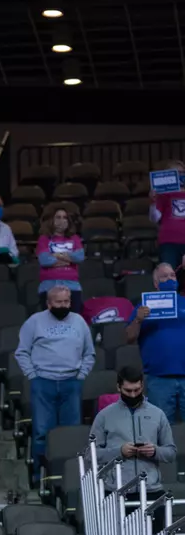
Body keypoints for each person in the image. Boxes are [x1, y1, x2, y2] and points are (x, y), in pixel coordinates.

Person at [15, 285, 96, 483]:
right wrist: (32, 375)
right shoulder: (34, 321)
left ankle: (73, 479)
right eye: (59, 302)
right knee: (42, 432)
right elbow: (22, 352)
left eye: (66, 301)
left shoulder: (79, 322)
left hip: (71, 383)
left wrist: (81, 375)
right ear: (49, 303)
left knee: (71, 433)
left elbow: (89, 353)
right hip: (43, 383)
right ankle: (40, 477)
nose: (63, 305)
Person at [90, 365, 175, 497]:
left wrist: (155, 451)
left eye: (137, 390)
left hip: (151, 489)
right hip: (116, 491)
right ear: (118, 387)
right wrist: (119, 452)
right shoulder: (104, 416)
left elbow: (171, 453)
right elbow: (91, 455)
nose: (133, 394)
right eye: (128, 391)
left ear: (142, 386)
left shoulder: (158, 414)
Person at [126, 262, 185, 423]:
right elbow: (129, 337)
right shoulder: (144, 307)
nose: (170, 279)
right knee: (161, 428)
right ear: (156, 283)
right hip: (159, 379)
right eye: (164, 277)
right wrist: (138, 320)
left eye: (172, 275)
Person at [36, 207, 85, 312]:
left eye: (64, 217)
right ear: (51, 220)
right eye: (58, 217)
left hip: (72, 285)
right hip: (49, 285)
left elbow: (80, 257)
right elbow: (45, 260)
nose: (62, 220)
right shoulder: (44, 239)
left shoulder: (74, 238)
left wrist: (56, 255)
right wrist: (69, 260)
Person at [149, 160, 185, 267]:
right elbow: (154, 218)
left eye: (182, 173)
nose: (179, 176)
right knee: (168, 273)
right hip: (169, 242)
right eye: (175, 173)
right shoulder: (163, 194)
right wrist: (153, 202)